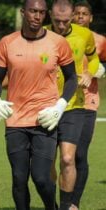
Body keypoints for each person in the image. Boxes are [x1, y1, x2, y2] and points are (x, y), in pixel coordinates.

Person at [0, 0, 77, 209]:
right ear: (23, 12)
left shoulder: (58, 42)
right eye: (32, 11)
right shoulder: (7, 42)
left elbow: (72, 78)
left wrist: (60, 106)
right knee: (19, 179)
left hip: (45, 119)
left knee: (41, 178)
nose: (37, 16)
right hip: (15, 120)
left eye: (41, 12)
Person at [47, 0, 99, 209]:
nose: (61, 26)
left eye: (65, 21)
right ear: (50, 16)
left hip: (75, 104)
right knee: (47, 162)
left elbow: (93, 58)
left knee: (70, 158)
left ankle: (70, 204)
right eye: (57, 21)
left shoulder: (84, 35)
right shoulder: (40, 34)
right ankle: (51, 202)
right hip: (46, 105)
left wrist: (89, 72)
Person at [70, 1, 106, 209]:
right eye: (77, 13)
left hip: (88, 103)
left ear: (91, 18)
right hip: (64, 102)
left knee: (79, 154)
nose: (80, 17)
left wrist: (100, 70)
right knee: (62, 156)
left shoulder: (100, 41)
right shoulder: (64, 38)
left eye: (84, 14)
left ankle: (74, 203)